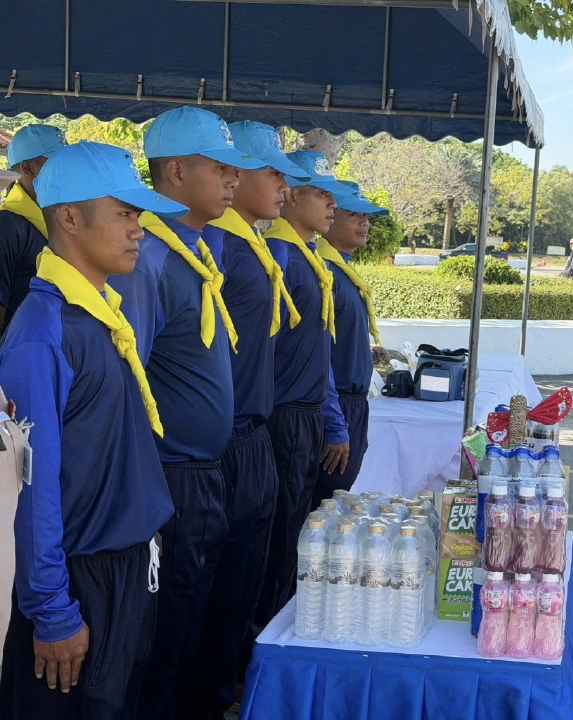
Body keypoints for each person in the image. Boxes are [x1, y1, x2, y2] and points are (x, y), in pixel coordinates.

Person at [0, 142, 184, 718]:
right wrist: (52, 609)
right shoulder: (43, 332)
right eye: (124, 214)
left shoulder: (102, 311)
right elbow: (32, 486)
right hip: (80, 581)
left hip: (126, 566)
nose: (139, 231)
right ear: (70, 218)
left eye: (139, 216)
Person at [106, 106, 264, 720]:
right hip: (172, 478)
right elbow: (128, 380)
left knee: (198, 628)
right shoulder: (147, 258)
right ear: (175, 170)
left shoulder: (199, 245)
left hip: (208, 471)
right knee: (165, 642)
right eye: (221, 168)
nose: (232, 180)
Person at [187, 122, 309, 717]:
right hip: (223, 440)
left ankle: (231, 687)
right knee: (208, 598)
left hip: (255, 432)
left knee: (246, 587)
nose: (279, 186)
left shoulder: (254, 247)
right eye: (273, 172)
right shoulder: (216, 248)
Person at [250, 149, 348, 646]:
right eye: (320, 193)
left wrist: (330, 419)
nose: (331, 204)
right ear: (290, 194)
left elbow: (320, 351)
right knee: (275, 547)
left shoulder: (308, 257)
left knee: (294, 540)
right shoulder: (282, 258)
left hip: (307, 414)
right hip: (283, 416)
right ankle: (263, 646)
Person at [312, 181, 389, 504]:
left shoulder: (343, 270)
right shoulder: (325, 273)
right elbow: (320, 359)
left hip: (353, 405)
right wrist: (336, 424)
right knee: (319, 509)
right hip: (336, 406)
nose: (364, 223)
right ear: (330, 218)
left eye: (367, 216)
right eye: (354, 214)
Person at [0, 124, 67, 330]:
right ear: (28, 169)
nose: (68, 171)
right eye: (58, 163)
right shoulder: (7, 227)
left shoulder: (61, 219)